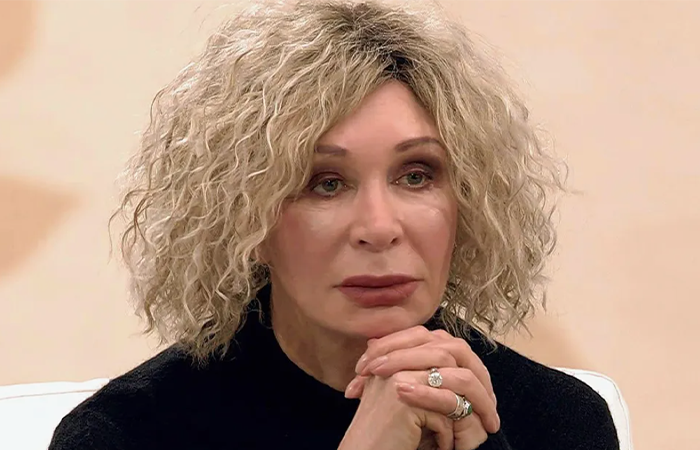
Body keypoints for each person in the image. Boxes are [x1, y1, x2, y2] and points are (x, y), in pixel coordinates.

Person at [49, 1, 620, 449]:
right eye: (325, 183)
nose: (379, 227)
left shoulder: (556, 418)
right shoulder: (126, 433)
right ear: (246, 217)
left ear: (467, 201)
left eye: (416, 175)